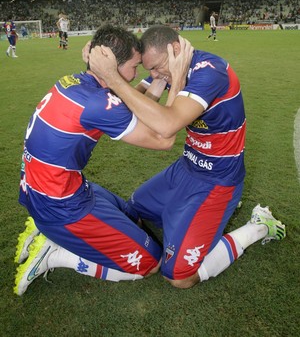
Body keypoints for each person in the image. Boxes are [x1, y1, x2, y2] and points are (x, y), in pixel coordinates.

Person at [87, 25, 286, 289]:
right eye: (150, 71)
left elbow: (167, 126)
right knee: (134, 210)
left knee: (179, 276)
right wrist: (101, 67)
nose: (155, 74)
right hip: (187, 166)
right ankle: (199, 217)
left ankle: (259, 226)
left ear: (176, 49)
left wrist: (114, 78)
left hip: (218, 180)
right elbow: (128, 103)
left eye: (157, 67)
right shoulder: (167, 70)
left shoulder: (210, 72)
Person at [13, 24, 193, 296]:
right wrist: (176, 79)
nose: (136, 74)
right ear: (113, 66)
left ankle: (43, 229)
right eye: (134, 67)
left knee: (136, 219)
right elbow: (163, 138)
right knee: (150, 262)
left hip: (53, 188)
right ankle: (54, 254)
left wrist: (159, 79)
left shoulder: (74, 82)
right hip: (61, 206)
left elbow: (131, 107)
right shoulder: (98, 104)